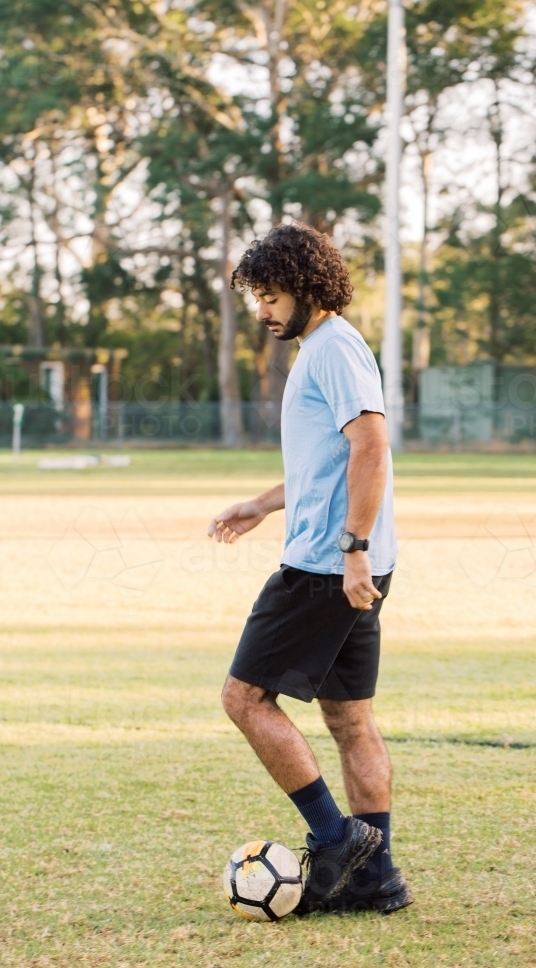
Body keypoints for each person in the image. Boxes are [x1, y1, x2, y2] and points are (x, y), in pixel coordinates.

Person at [207, 223, 413, 915]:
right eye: (256, 297)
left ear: (306, 288)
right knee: (348, 718)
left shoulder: (331, 350)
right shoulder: (325, 349)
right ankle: (374, 878)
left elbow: (371, 448)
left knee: (244, 699)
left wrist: (351, 550)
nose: (261, 310)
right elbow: (326, 462)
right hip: (348, 561)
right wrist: (263, 504)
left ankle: (334, 840)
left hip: (327, 566)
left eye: (269, 296)